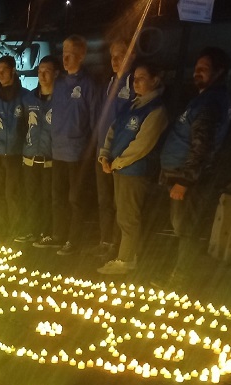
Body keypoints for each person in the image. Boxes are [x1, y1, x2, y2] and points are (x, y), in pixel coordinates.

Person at [157, 47, 231, 289]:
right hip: (181, 174)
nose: (196, 72)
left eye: (204, 69)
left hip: (188, 178)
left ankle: (181, 281)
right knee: (183, 226)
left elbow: (202, 145)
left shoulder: (210, 103)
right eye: (197, 68)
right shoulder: (205, 98)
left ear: (219, 72)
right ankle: (180, 276)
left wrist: (185, 181)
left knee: (186, 228)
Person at [96, 61, 168, 275]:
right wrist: (104, 154)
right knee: (123, 214)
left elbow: (142, 145)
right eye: (134, 78)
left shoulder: (156, 110)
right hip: (119, 168)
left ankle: (126, 260)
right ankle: (123, 254)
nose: (136, 82)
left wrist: (117, 162)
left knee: (129, 216)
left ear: (155, 80)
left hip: (134, 171)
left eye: (141, 78)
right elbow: (112, 130)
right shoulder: (131, 105)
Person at [49, 35, 101, 255]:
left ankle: (74, 240)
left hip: (78, 152)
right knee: (57, 197)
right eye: (64, 53)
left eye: (70, 54)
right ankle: (58, 234)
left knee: (75, 199)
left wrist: (92, 151)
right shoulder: (59, 83)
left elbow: (95, 119)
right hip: (57, 150)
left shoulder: (88, 84)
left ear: (81, 56)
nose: (65, 58)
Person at [89, 39, 136, 261]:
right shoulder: (109, 84)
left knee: (120, 204)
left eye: (121, 55)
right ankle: (105, 241)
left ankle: (119, 247)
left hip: (120, 156)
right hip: (102, 153)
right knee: (104, 201)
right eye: (113, 57)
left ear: (132, 56)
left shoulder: (134, 84)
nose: (115, 61)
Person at [18, 56, 59, 245]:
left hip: (51, 158)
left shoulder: (60, 99)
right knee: (31, 198)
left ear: (56, 73)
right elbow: (22, 125)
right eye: (39, 71)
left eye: (47, 71)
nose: (42, 75)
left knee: (48, 198)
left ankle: (48, 232)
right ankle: (32, 231)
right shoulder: (28, 98)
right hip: (30, 156)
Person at [0, 55, 26, 239]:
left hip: (15, 153)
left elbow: (28, 125)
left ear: (13, 71)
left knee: (13, 192)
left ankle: (17, 227)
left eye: (4, 70)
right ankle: (3, 227)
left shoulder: (25, 96)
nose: (0, 74)